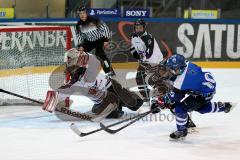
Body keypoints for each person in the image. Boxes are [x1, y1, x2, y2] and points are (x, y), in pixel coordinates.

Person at [150, 54, 235, 140]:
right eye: (170, 68)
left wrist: (161, 102)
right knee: (201, 109)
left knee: (179, 108)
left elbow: (173, 98)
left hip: (203, 94)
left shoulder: (182, 82)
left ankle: (182, 131)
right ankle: (224, 106)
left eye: (174, 69)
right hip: (201, 85)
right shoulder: (185, 64)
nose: (171, 71)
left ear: (181, 68)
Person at [43, 48, 143, 121]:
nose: (68, 66)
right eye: (68, 63)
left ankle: (127, 100)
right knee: (106, 113)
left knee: (135, 104)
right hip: (102, 100)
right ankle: (117, 106)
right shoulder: (74, 80)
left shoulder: (88, 72)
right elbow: (65, 92)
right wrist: (54, 100)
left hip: (114, 89)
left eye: (70, 62)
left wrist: (56, 98)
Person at [130, 19, 172, 102]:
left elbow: (149, 54)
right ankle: (146, 97)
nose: (138, 29)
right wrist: (138, 56)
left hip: (155, 62)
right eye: (136, 27)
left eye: (140, 27)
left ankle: (165, 95)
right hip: (146, 62)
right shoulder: (134, 37)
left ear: (144, 28)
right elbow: (132, 50)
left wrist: (143, 60)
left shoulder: (148, 37)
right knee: (140, 79)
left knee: (152, 81)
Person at [76, 6, 115, 75]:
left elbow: (105, 28)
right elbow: (79, 36)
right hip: (89, 41)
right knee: (81, 54)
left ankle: (109, 71)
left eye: (83, 13)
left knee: (100, 54)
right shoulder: (79, 25)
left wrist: (106, 40)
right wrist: (80, 46)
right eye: (80, 13)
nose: (82, 15)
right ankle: (80, 73)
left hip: (99, 39)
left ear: (86, 13)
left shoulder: (94, 19)